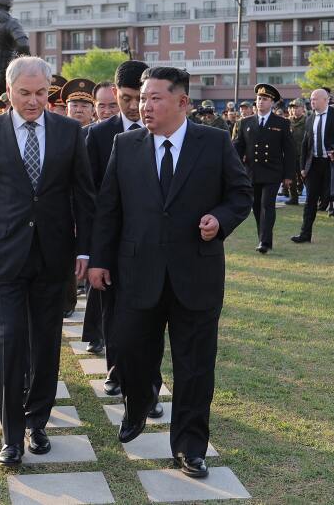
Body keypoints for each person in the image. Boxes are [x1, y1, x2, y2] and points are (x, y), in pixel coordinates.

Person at [88, 66, 252, 479]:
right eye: (143, 98)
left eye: (155, 98)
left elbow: (240, 193)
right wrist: (99, 260)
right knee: (128, 350)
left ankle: (190, 446)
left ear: (182, 102)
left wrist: (219, 219)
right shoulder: (125, 146)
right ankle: (139, 401)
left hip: (195, 274)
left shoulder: (213, 142)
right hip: (136, 273)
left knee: (195, 365)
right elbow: (109, 208)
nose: (145, 105)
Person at [0, 56, 95, 466]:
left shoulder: (70, 132)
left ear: (49, 91)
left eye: (40, 93)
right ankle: (11, 434)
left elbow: (84, 196)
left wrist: (84, 250)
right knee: (9, 341)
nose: (32, 102)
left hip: (53, 258)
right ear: (9, 90)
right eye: (24, 93)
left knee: (46, 343)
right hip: (2, 256)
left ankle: (37, 423)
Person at [82, 61, 147, 391]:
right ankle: (116, 370)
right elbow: (88, 194)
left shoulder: (163, 129)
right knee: (113, 309)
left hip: (150, 242)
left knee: (147, 315)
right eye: (126, 97)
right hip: (110, 240)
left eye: (140, 97)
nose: (134, 106)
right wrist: (93, 250)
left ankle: (146, 381)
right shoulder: (97, 135)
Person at [234, 84, 296, 252]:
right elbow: (238, 148)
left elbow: (289, 151)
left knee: (266, 205)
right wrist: (234, 169)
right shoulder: (245, 122)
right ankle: (262, 237)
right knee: (255, 206)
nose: (261, 102)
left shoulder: (281, 123)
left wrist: (289, 175)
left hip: (272, 172)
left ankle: (265, 242)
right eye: (259, 99)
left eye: (265, 99)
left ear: (272, 103)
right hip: (252, 172)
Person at [292, 88, 334, 243]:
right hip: (314, 164)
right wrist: (302, 167)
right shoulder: (310, 119)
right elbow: (306, 145)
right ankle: (305, 234)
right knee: (310, 200)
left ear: (325, 100)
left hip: (333, 163)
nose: (312, 101)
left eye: (315, 99)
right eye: (311, 99)